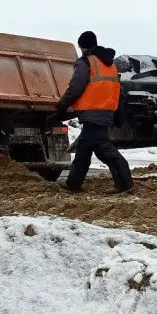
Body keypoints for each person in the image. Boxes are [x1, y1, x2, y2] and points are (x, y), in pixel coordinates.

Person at [56, 30, 133, 193]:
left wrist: (62, 105)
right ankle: (73, 184)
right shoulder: (110, 64)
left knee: (105, 149)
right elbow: (120, 91)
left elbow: (75, 87)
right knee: (85, 149)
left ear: (82, 46)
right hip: (105, 112)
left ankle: (125, 184)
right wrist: (119, 113)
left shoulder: (86, 62)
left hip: (92, 113)